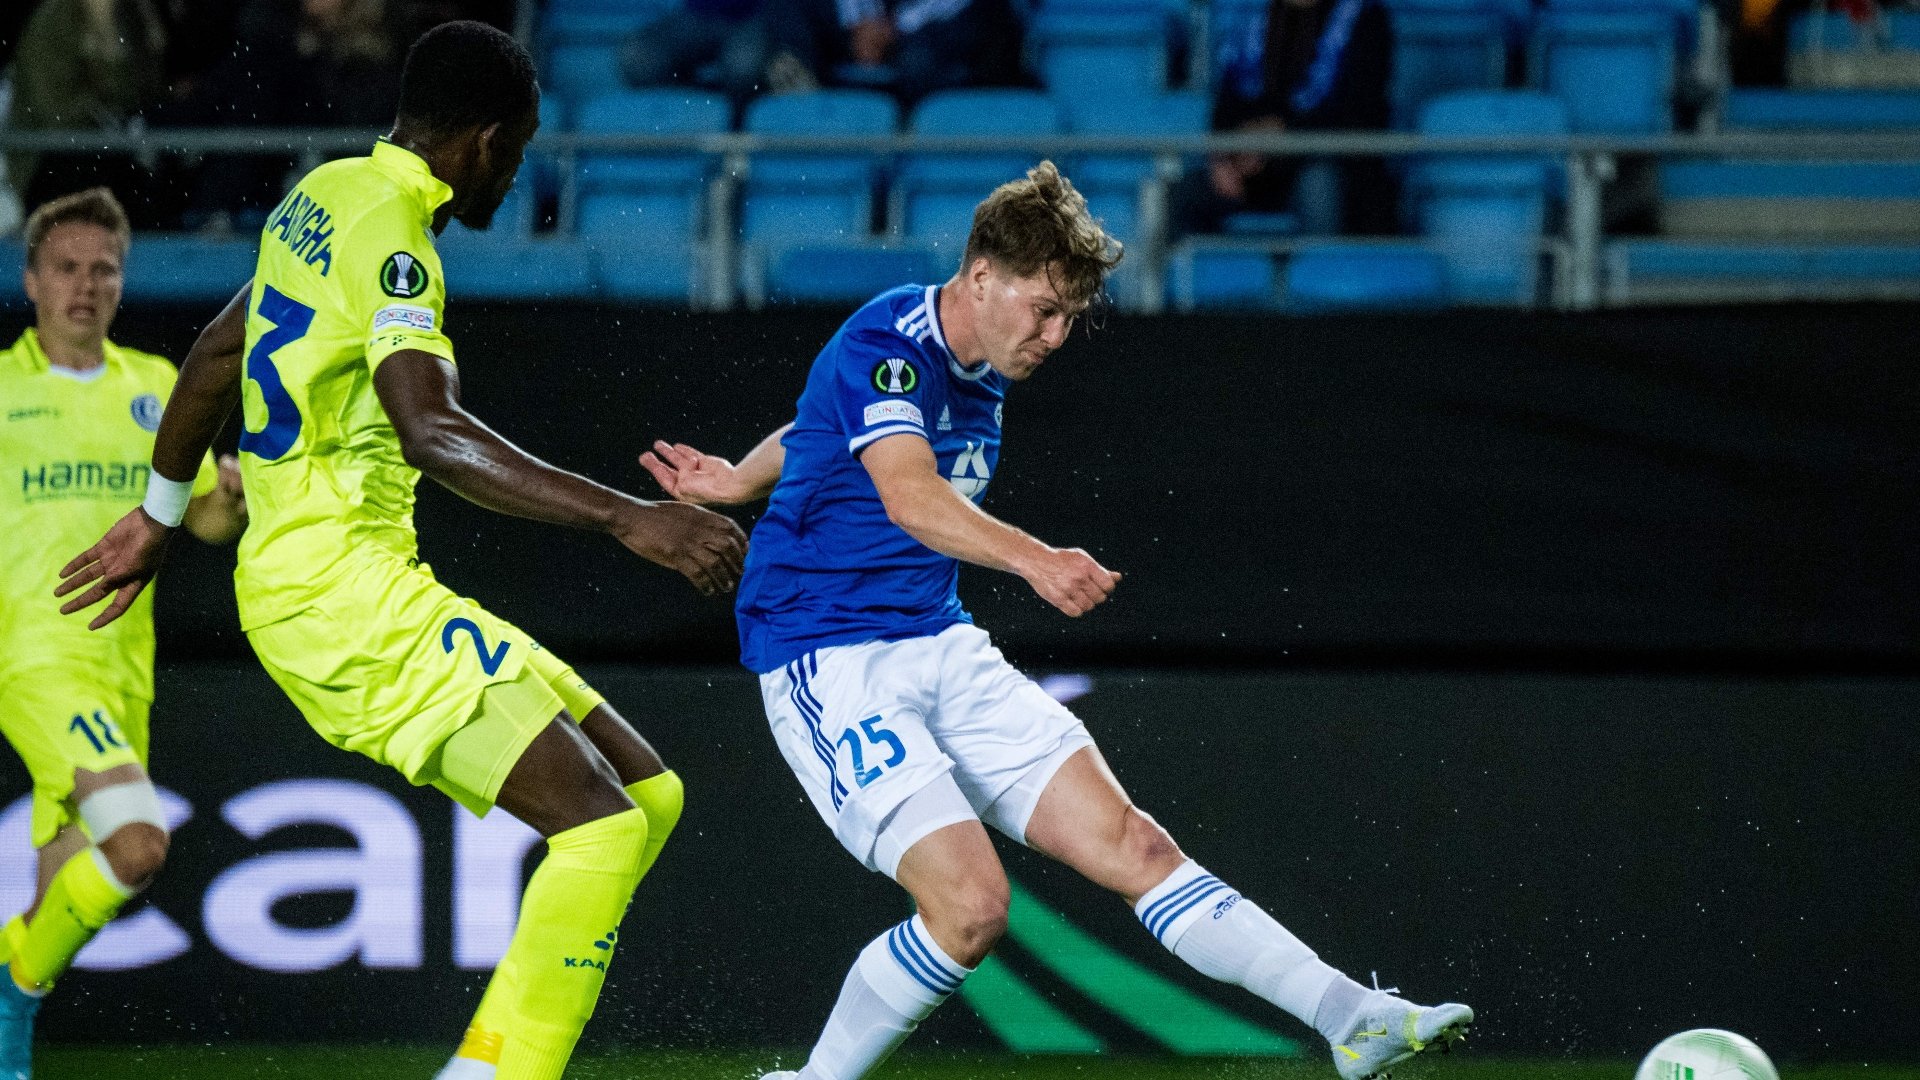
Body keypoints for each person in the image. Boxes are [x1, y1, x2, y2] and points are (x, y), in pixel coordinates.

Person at [639, 160, 1473, 1080]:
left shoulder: (975, 363)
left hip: (938, 638)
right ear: (981, 275)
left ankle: (1350, 1017)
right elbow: (911, 496)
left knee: (1136, 845)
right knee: (970, 912)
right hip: (829, 656)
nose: (1056, 335)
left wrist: (741, 478)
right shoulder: (887, 338)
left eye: (1071, 316)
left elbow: (821, 426)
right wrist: (1037, 560)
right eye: (1043, 308)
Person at [52, 22, 747, 1080]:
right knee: (600, 832)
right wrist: (626, 517)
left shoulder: (323, 194)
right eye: (515, 152)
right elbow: (434, 432)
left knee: (651, 799)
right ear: (480, 139)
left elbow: (217, 353)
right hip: (338, 597)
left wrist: (157, 513)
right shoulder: (395, 243)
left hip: (344, 584)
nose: (513, 176)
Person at [0, 186, 248, 1078]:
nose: (86, 285)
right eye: (66, 267)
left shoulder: (157, 388)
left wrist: (228, 500)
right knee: (138, 845)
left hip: (122, 666)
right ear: (30, 282)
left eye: (103, 269)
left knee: (59, 897)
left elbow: (206, 528)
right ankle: (6, 994)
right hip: (31, 660)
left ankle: (10, 1035)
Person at [1173, 0, 1395, 237]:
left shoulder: (1364, 17)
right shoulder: (1255, 19)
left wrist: (1282, 132)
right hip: (1252, 168)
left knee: (1318, 184)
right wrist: (1223, 159)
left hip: (1326, 162)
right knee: (1182, 192)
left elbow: (1360, 114)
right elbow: (1226, 107)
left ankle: (1320, 271)